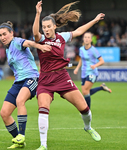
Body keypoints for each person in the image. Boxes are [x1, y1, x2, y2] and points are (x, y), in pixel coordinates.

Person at [32, 1, 104, 150]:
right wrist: (38, 13)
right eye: (44, 27)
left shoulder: (62, 37)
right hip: (45, 79)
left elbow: (78, 31)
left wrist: (95, 20)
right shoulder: (40, 39)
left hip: (62, 77)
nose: (45, 29)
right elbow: (34, 33)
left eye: (48, 27)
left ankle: (88, 127)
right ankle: (43, 145)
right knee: (43, 108)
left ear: (54, 27)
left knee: (84, 109)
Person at [0, 21, 51, 149]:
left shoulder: (17, 41)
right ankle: (18, 140)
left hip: (32, 78)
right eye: (0, 35)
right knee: (4, 113)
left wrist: (40, 47)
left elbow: (28, 43)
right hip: (18, 81)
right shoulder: (8, 49)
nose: (2, 37)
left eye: (4, 34)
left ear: (11, 33)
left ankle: (22, 134)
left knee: (20, 100)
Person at [74, 32, 112, 109]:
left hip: (92, 72)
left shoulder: (93, 50)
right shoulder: (81, 49)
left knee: (85, 92)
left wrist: (95, 65)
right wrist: (77, 68)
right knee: (85, 92)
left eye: (88, 37)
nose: (86, 39)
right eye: (85, 37)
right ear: (83, 39)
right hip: (84, 72)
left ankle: (87, 110)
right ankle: (102, 87)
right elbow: (81, 59)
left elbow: (102, 61)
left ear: (91, 40)